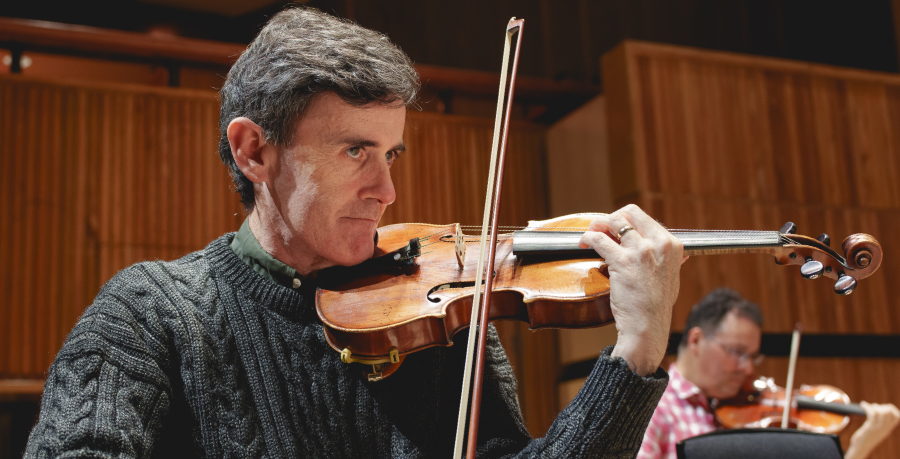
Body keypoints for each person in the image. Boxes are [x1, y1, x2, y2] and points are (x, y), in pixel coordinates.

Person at [25, 7, 687, 458]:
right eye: (353, 152)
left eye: (391, 153)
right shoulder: (146, 315)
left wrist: (633, 356)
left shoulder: (444, 321)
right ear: (255, 150)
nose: (387, 191)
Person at [637, 288, 900, 459]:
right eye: (737, 352)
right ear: (696, 340)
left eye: (752, 356)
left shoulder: (747, 409)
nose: (748, 368)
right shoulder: (653, 408)